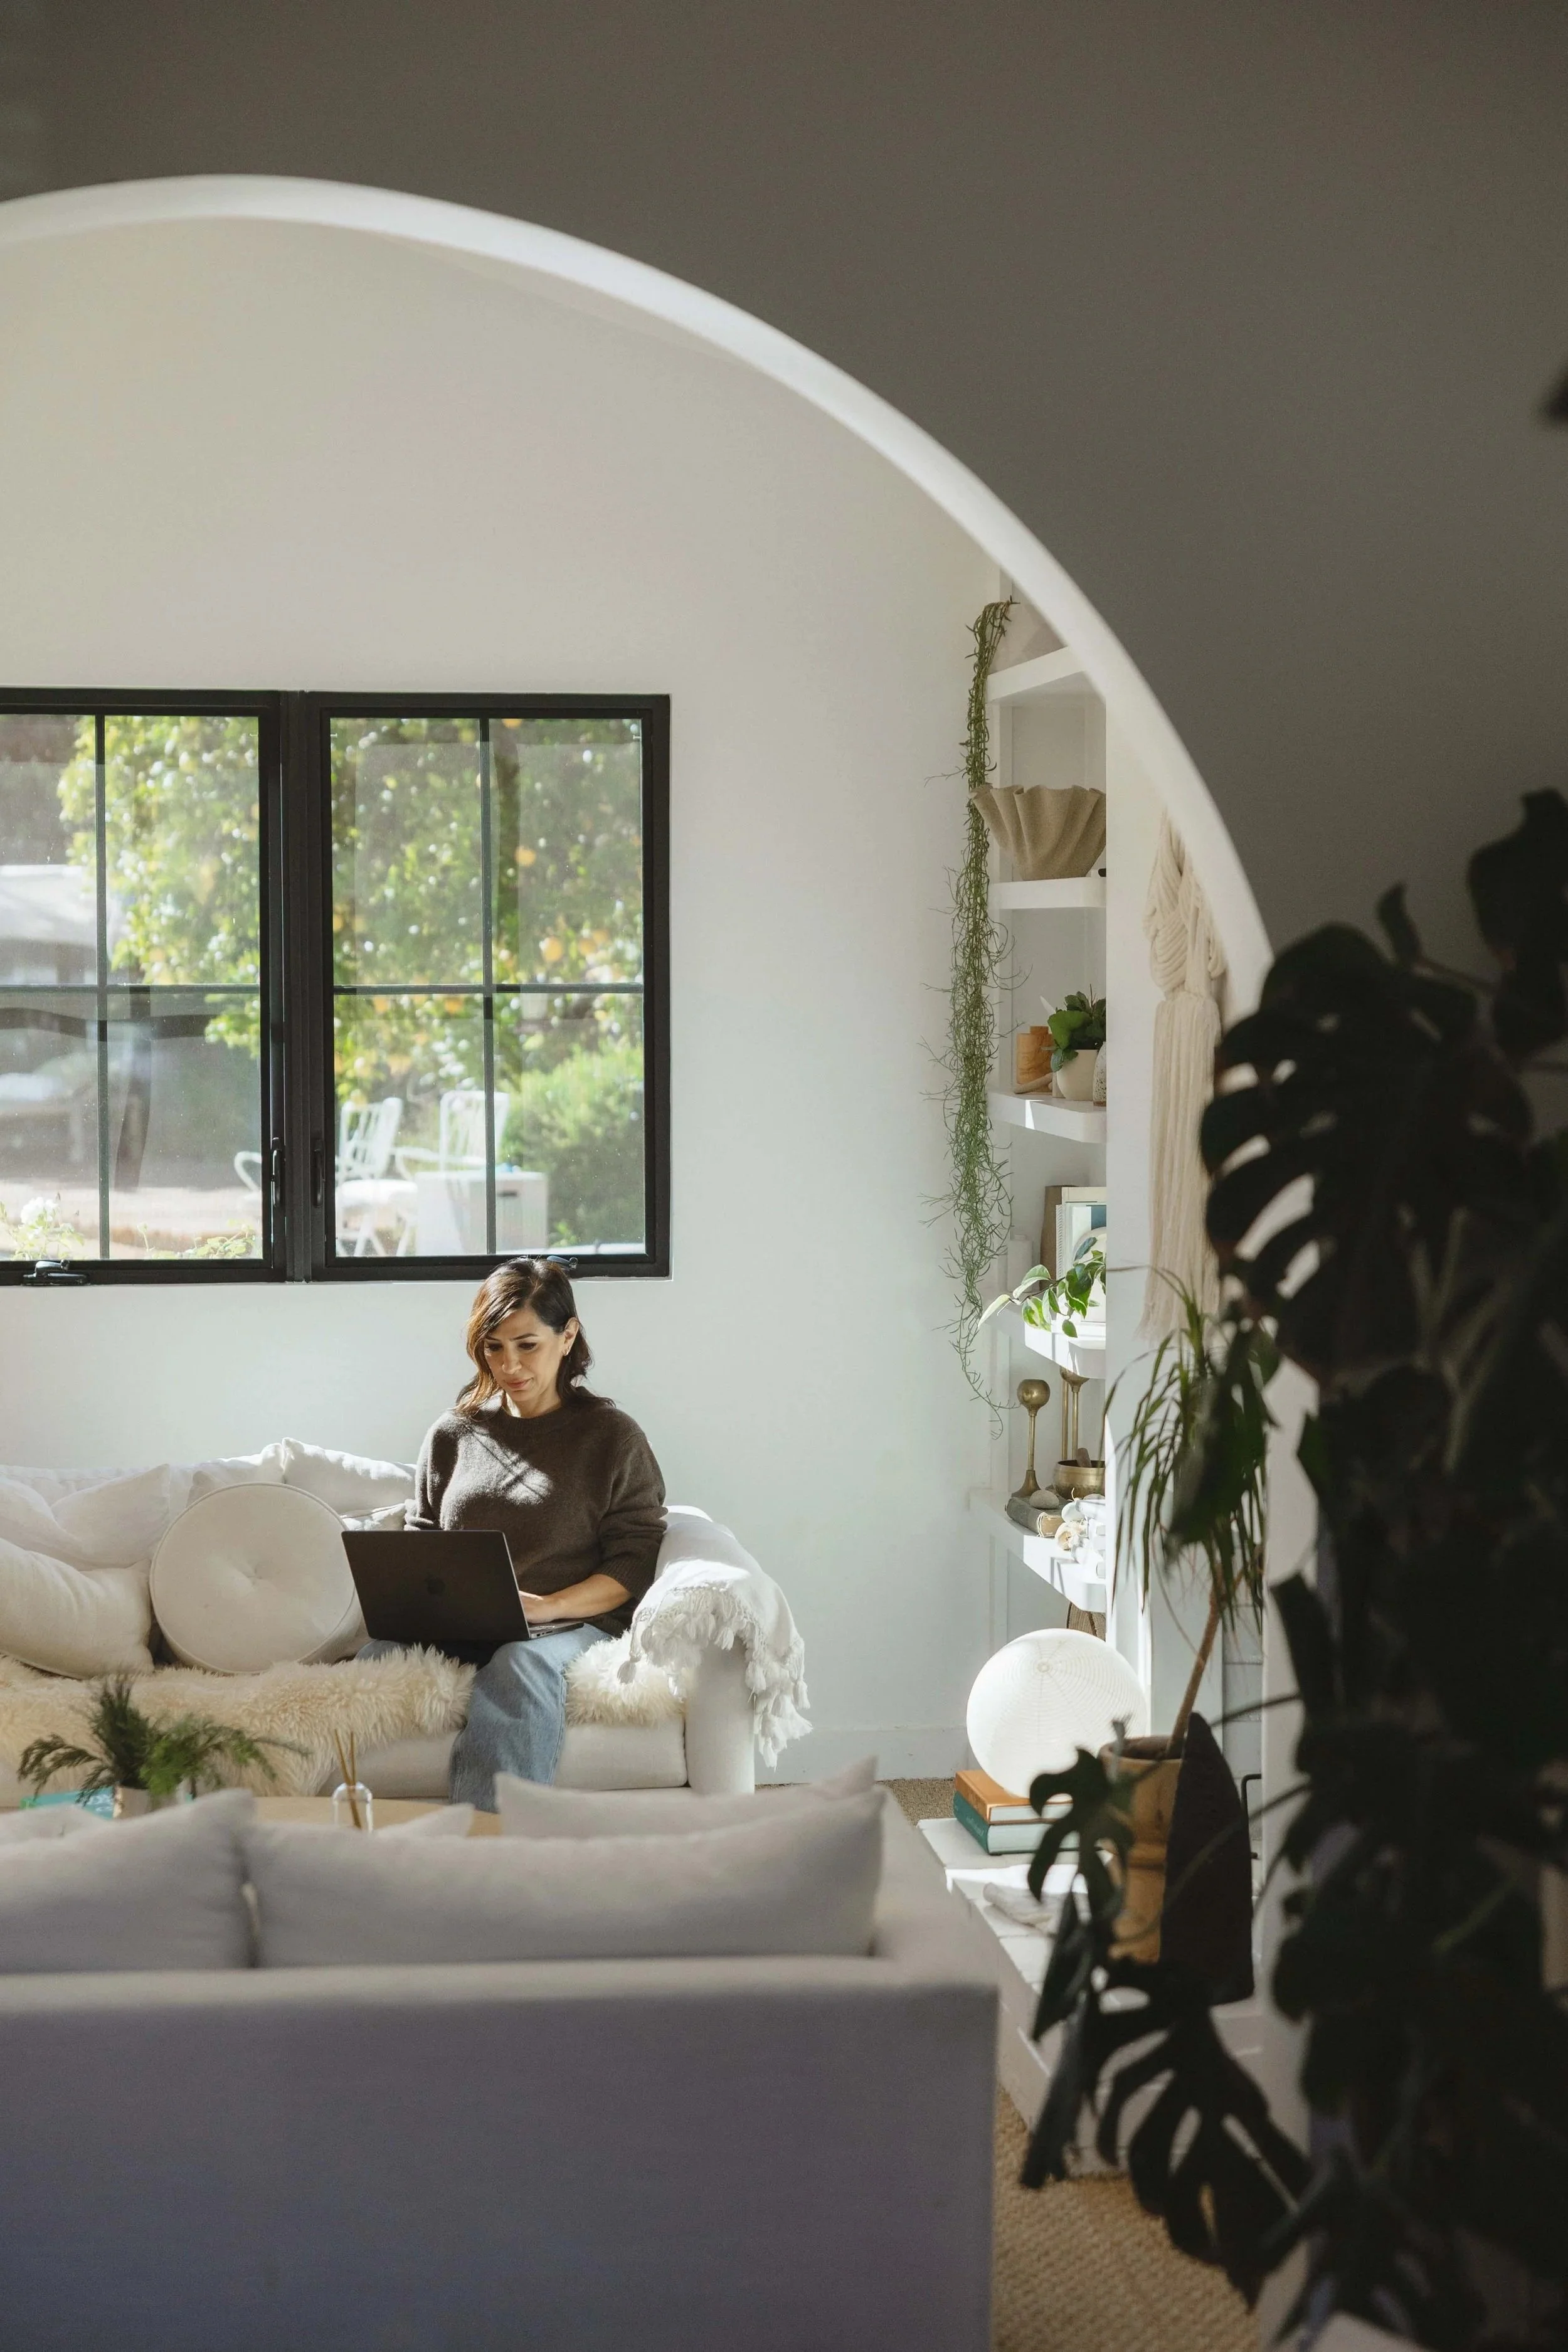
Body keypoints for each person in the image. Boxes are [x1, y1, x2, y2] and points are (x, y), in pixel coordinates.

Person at [359, 1257, 666, 1808]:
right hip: (467, 1622)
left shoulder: (611, 1437)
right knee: (374, 1657)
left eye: (528, 1345)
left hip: (572, 1623)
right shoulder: (454, 1432)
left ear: (567, 1335)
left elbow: (634, 1561)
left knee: (519, 1665)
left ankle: (488, 1850)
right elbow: (421, 1535)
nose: (510, 1365)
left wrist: (547, 1607)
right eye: (493, 1347)